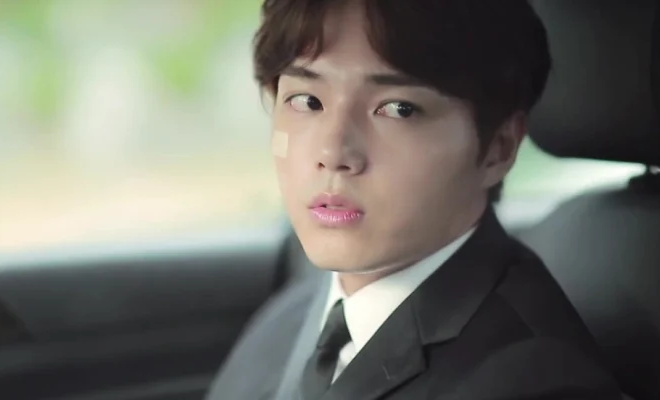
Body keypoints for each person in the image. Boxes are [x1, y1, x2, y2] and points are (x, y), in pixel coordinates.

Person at [203, 0, 623, 399]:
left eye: (398, 109)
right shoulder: (295, 312)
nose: (333, 153)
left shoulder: (532, 381)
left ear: (498, 148)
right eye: (307, 101)